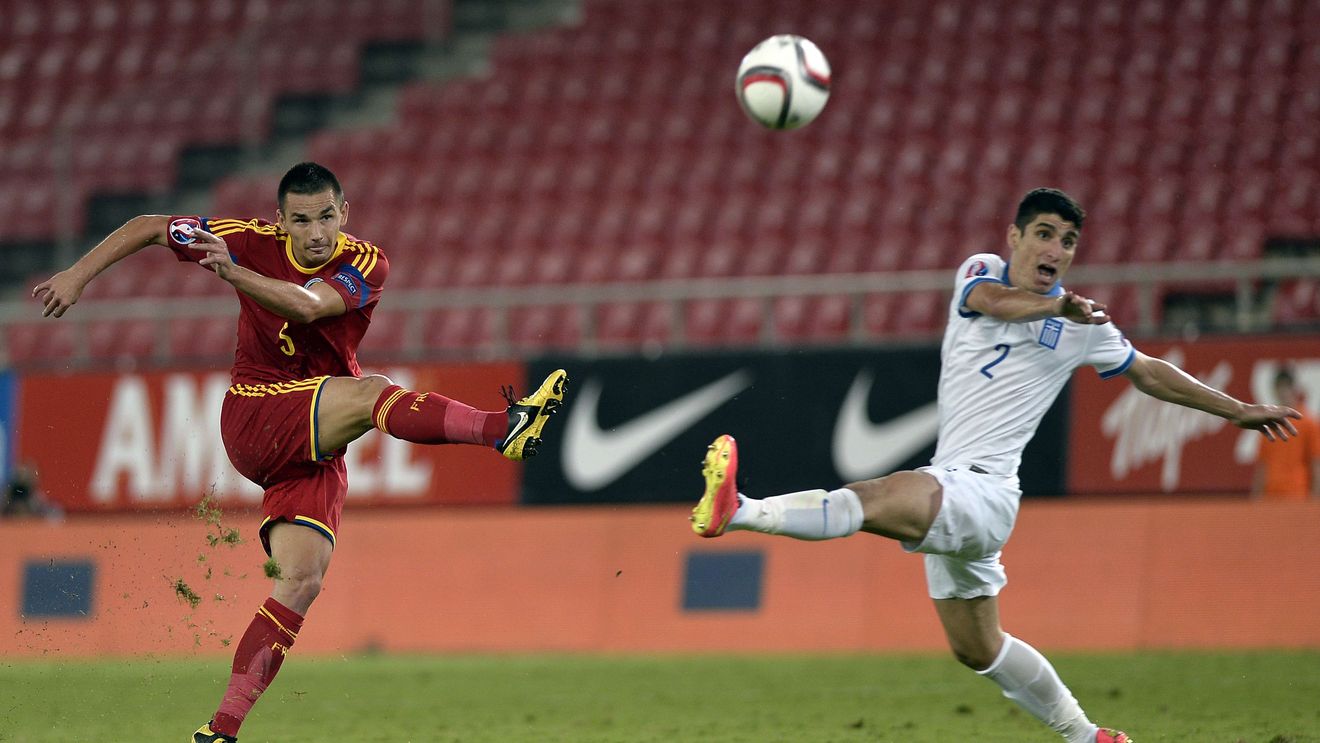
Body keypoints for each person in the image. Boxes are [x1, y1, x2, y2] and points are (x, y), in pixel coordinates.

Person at [690, 188, 1300, 743]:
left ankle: (741, 510)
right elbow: (995, 303)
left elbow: (1148, 372)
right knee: (979, 648)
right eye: (1043, 233)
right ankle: (1090, 737)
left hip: (982, 493)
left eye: (1067, 240)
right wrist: (1054, 311)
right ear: (1014, 237)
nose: (1055, 249)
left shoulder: (1086, 327)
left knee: (876, 497)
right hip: (959, 485)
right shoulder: (982, 275)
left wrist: (1236, 408)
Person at [32, 162, 569, 743]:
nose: (316, 232)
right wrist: (77, 275)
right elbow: (147, 226)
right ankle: (501, 428)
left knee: (300, 582)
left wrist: (233, 275)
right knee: (372, 393)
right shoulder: (245, 239)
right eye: (302, 220)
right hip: (257, 413)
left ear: (346, 213)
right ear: (280, 221)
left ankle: (221, 729)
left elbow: (308, 307)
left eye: (326, 217)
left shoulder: (367, 262)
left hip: (312, 442)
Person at [1252, 366, 1320, 500]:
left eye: (1286, 387)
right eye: (1279, 388)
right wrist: (1256, 497)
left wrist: (1316, 498)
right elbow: (1262, 465)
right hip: (1271, 496)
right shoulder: (1269, 424)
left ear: (1294, 389)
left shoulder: (1308, 423)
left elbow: (1315, 463)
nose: (1283, 392)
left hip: (1297, 495)